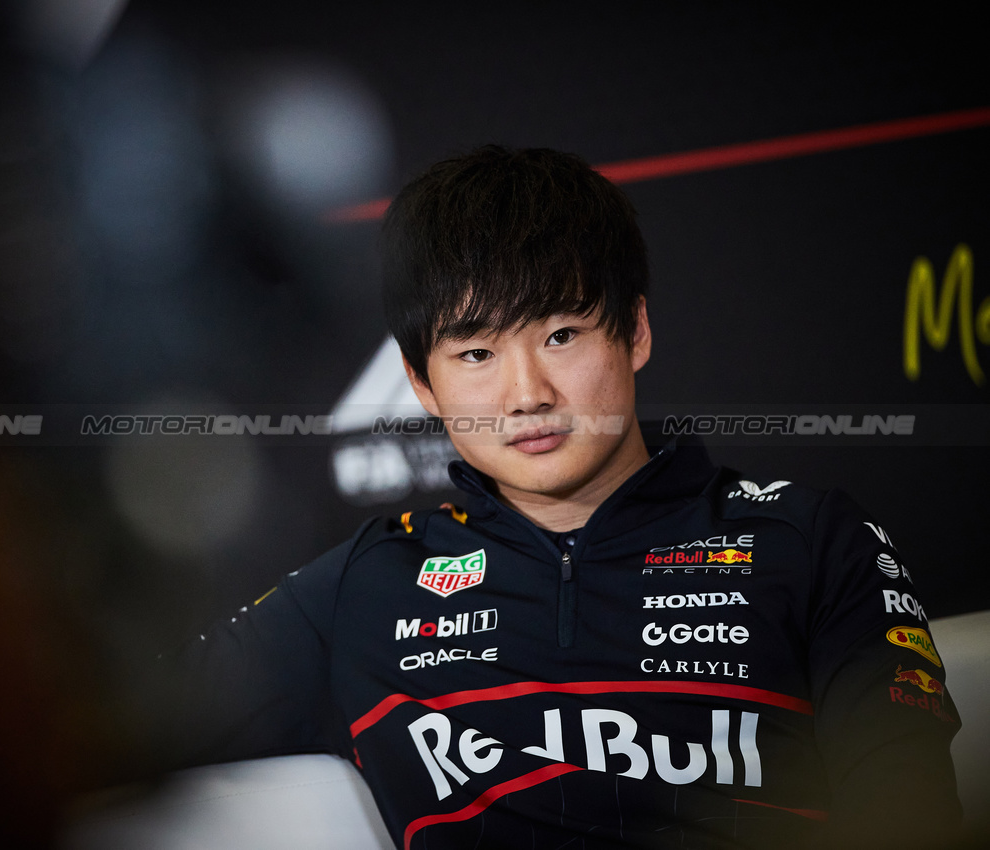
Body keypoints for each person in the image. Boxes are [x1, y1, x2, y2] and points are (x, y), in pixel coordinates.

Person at [151, 147, 962, 848]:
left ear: (635, 331)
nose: (524, 393)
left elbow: (907, 813)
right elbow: (114, 727)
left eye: (560, 335)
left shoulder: (814, 540)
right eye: (474, 353)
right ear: (420, 384)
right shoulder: (361, 586)